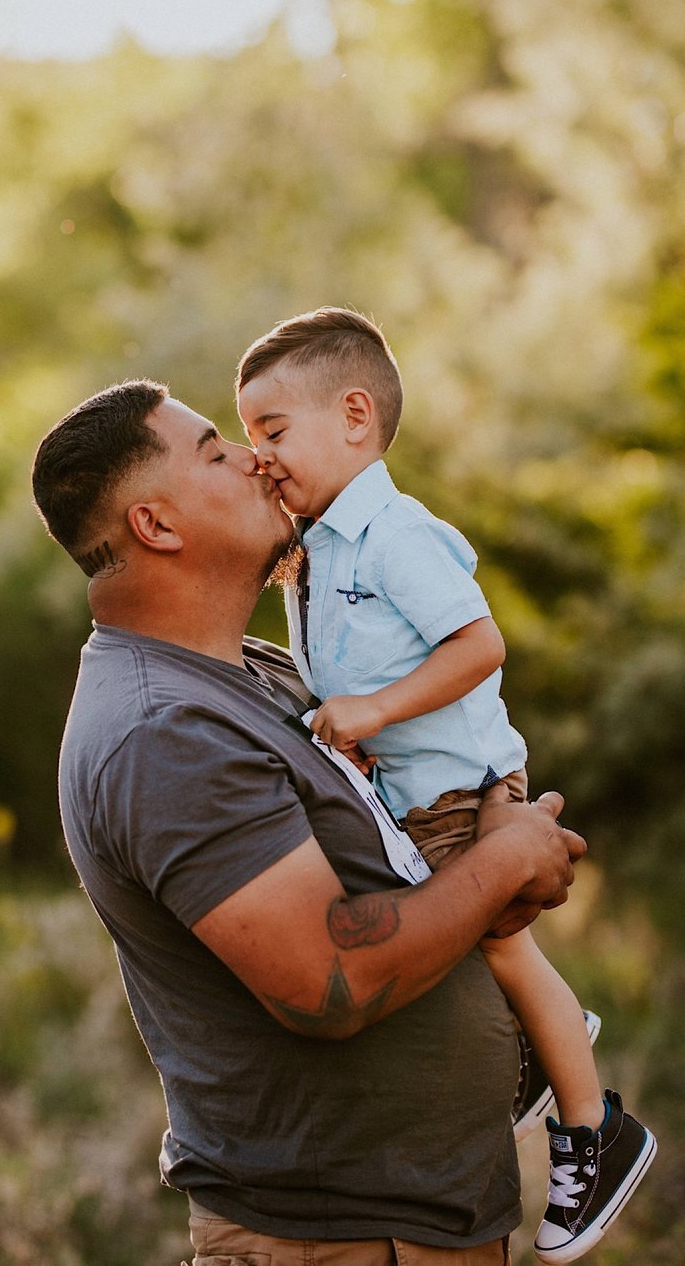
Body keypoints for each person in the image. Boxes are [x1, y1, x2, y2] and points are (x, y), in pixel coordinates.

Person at [31, 376, 590, 1266]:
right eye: (217, 451)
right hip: (333, 1240)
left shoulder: (252, 671)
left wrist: (493, 826)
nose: (259, 459)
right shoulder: (164, 731)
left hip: (421, 1219)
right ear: (157, 525)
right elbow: (329, 982)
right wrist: (503, 867)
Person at [235, 308, 656, 1263]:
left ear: (353, 416)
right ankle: (539, 1055)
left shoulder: (395, 533)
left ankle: (594, 1127)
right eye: (249, 437)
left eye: (272, 431)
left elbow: (481, 643)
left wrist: (374, 711)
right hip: (415, 794)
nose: (259, 456)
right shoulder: (325, 541)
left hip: (460, 788)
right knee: (463, 944)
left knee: (498, 947)